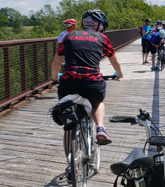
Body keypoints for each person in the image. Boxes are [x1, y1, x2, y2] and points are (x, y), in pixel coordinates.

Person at [51, 10, 124, 176]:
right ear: (99, 26)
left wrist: (55, 79)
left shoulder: (68, 37)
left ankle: (71, 165)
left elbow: (56, 63)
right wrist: (119, 74)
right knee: (97, 102)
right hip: (92, 83)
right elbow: (114, 60)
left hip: (69, 82)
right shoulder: (102, 38)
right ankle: (100, 128)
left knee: (69, 122)